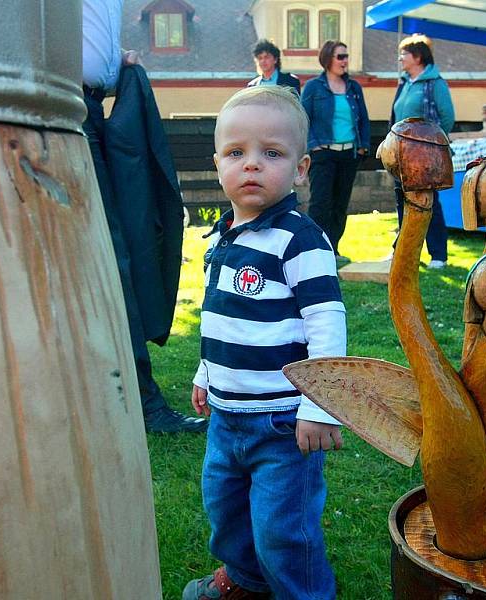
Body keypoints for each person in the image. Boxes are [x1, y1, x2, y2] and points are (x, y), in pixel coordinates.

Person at [183, 86, 346, 600]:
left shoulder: (300, 239)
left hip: (281, 421)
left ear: (300, 169)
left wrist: (320, 406)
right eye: (237, 153)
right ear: (217, 165)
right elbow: (219, 316)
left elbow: (326, 320)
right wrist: (205, 374)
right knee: (226, 512)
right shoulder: (224, 234)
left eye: (271, 153)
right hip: (227, 418)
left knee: (283, 531)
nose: (251, 165)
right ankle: (247, 582)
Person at [82, 0, 206, 433]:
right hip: (63, 109)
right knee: (115, 253)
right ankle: (142, 399)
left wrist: (112, 60)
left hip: (93, 106)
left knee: (132, 238)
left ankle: (130, 390)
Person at [300, 39, 370, 262]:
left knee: (340, 204)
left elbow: (364, 120)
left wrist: (362, 148)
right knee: (321, 203)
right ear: (328, 59)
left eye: (346, 56)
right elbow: (303, 119)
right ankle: (317, 250)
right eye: (340, 56)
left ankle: (334, 249)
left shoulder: (354, 87)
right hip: (322, 153)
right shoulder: (313, 87)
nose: (345, 61)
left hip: (348, 154)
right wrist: (314, 146)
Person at [390, 34, 455, 269]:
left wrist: (429, 145)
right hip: (401, 156)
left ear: (417, 57)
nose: (400, 59)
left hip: (424, 158)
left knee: (429, 204)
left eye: (404, 54)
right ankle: (403, 253)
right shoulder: (404, 82)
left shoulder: (435, 82)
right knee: (402, 203)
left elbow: (447, 117)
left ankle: (438, 255)